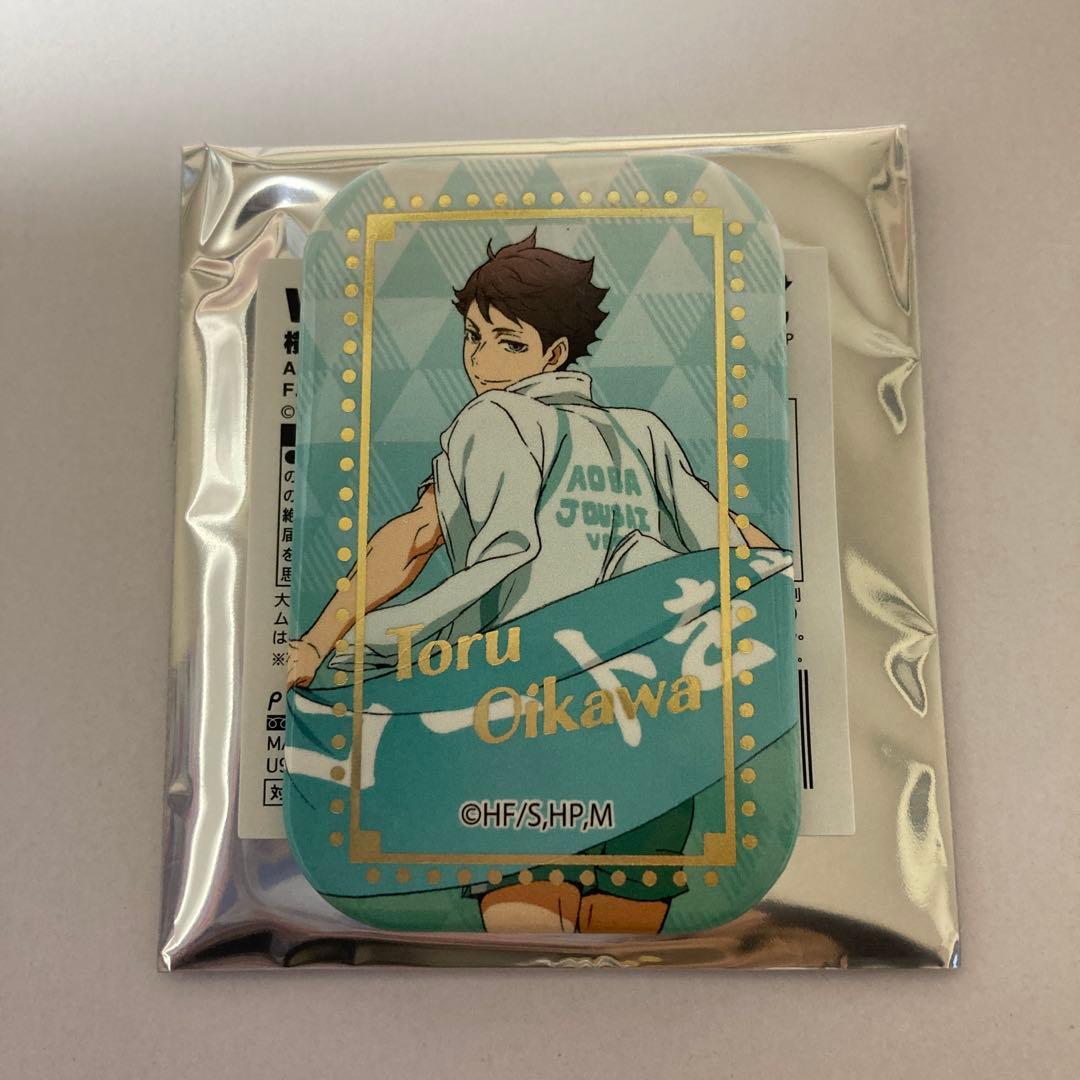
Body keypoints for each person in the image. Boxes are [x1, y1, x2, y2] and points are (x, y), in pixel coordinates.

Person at [288, 230, 775, 933]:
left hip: (524, 722)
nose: (482, 361)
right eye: (473, 337)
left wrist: (321, 639)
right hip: (654, 723)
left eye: (508, 343)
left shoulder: (493, 420)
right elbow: (732, 541)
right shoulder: (645, 432)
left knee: (523, 920)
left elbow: (416, 538)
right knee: (631, 939)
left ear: (554, 353)